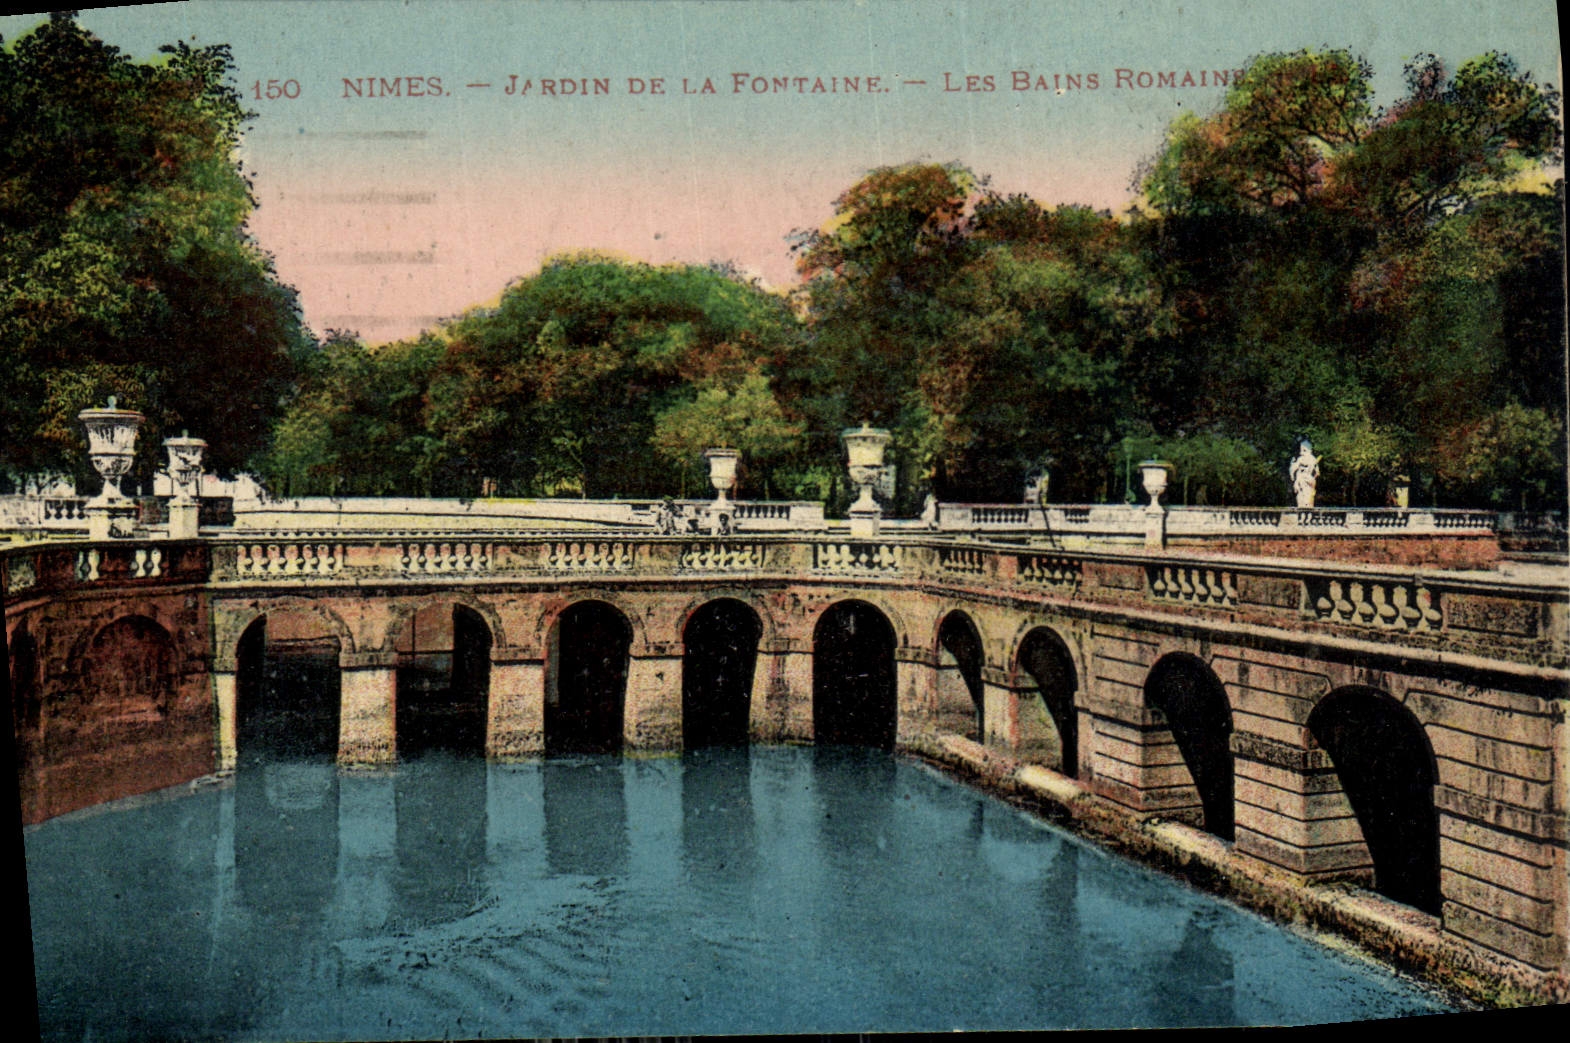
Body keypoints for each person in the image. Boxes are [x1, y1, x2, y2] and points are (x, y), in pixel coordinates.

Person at [1289, 440, 1320, 508]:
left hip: (1306, 479)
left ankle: (1306, 508)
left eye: (1304, 450)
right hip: (1304, 479)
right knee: (1302, 496)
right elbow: (1317, 472)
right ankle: (1303, 507)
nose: (1302, 452)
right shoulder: (1308, 459)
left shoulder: (1308, 459)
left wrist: (1312, 479)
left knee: (1306, 496)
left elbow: (1317, 472)